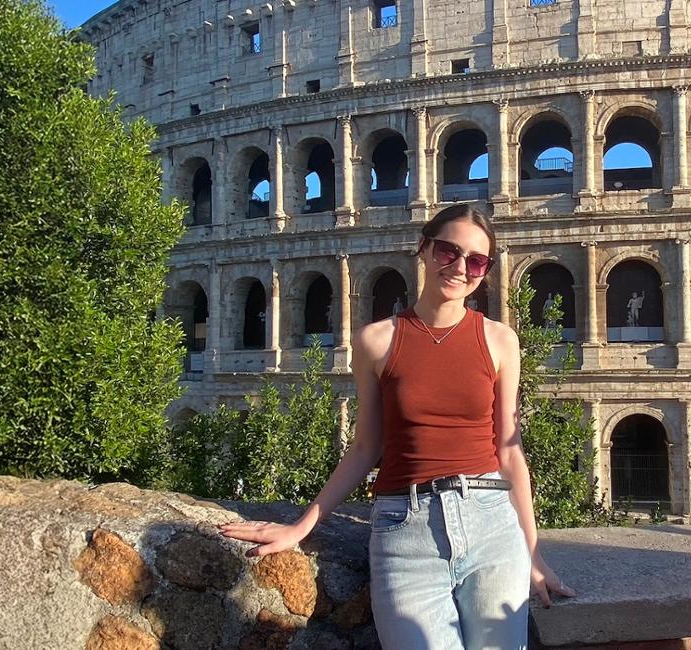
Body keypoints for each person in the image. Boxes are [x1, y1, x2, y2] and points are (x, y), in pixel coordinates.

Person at [221, 204, 574, 649]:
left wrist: (534, 553)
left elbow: (508, 451)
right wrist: (301, 525)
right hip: (405, 528)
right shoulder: (376, 340)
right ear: (424, 249)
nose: (460, 267)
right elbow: (366, 446)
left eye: (477, 261)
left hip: (490, 524)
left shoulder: (500, 340)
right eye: (449, 251)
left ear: (484, 272)